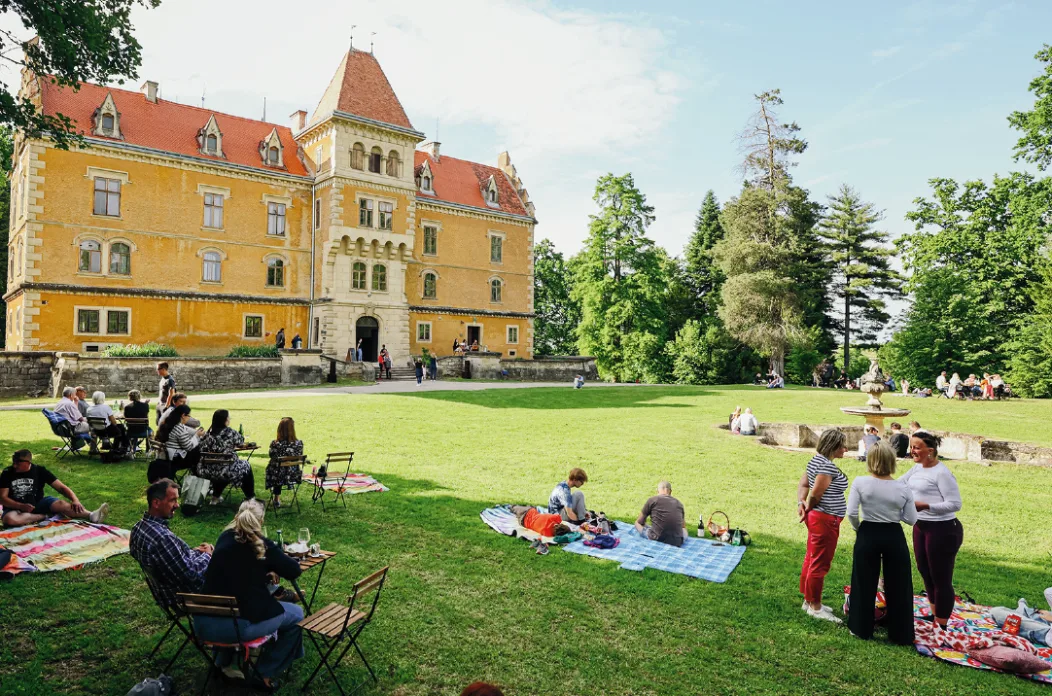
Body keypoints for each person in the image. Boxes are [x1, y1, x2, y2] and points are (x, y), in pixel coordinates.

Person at [196, 500, 303, 690]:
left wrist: (264, 570)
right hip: (238, 628)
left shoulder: (224, 537)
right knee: (297, 615)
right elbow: (294, 570)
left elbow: (238, 568)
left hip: (204, 624)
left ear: (237, 517)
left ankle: (222, 663)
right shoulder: (262, 545)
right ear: (260, 522)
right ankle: (264, 674)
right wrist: (272, 561)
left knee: (234, 603)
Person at [845, 442, 917, 644]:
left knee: (863, 580)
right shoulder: (902, 487)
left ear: (870, 461)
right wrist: (893, 513)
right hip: (893, 533)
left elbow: (851, 513)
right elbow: (911, 519)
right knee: (900, 583)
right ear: (892, 462)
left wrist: (859, 528)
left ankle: (860, 628)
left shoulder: (860, 482)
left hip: (868, 531)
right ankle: (901, 633)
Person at [901, 431, 963, 627]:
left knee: (940, 577)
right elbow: (899, 484)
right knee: (925, 570)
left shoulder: (942, 473)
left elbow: (955, 504)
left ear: (930, 450)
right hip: (921, 526)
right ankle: (935, 615)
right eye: (911, 447)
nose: (912, 451)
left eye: (916, 447)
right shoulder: (917, 468)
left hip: (942, 529)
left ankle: (942, 624)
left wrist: (926, 506)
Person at [130, 479, 213, 609]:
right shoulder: (163, 538)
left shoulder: (138, 528)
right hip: (186, 595)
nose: (177, 505)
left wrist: (196, 552)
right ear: (156, 503)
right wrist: (208, 555)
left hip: (166, 590)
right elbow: (191, 575)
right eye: (172, 500)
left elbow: (170, 560)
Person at [796, 428, 849, 623]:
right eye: (842, 446)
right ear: (833, 446)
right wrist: (807, 506)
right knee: (819, 563)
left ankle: (809, 600)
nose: (845, 449)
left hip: (819, 519)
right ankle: (815, 608)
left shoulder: (816, 461)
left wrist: (801, 504)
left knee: (811, 558)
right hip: (825, 520)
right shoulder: (826, 467)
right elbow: (816, 494)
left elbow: (804, 485)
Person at [0, 450, 109, 528]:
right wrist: (20, 506)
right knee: (10, 519)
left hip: (38, 503)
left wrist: (75, 500)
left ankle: (91, 515)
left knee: (61, 504)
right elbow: (2, 498)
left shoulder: (39, 470)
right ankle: (45, 516)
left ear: (28, 462)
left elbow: (61, 487)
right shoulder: (7, 473)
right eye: (13, 462)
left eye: (18, 463)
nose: (14, 466)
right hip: (15, 507)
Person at [199, 410, 256, 505]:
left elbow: (201, 447)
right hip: (227, 470)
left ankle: (215, 497)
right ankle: (250, 497)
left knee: (220, 468)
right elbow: (241, 441)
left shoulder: (208, 434)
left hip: (208, 470)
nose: (229, 419)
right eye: (228, 418)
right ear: (225, 420)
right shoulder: (230, 432)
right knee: (245, 465)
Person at [155, 405, 203, 481]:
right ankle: (197, 477)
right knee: (199, 451)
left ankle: (196, 475)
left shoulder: (167, 424)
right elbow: (188, 447)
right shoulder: (179, 428)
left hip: (165, 457)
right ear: (183, 415)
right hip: (175, 460)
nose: (189, 418)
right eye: (189, 416)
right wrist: (197, 436)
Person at [635, 481, 687, 547]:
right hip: (676, 541)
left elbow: (640, 521)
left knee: (637, 523)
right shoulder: (679, 504)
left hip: (656, 538)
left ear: (657, 491)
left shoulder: (652, 500)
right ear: (670, 491)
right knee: (684, 530)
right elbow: (683, 526)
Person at [266, 417, 304, 508]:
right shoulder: (299, 444)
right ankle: (280, 495)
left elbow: (271, 455)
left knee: (276, 468)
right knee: (281, 468)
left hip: (277, 475)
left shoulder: (276, 444)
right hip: (293, 474)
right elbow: (299, 456)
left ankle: (276, 499)